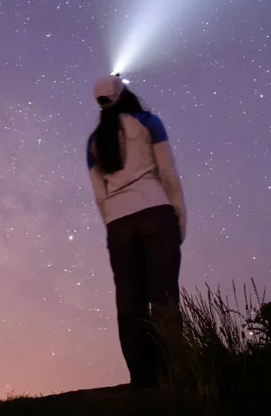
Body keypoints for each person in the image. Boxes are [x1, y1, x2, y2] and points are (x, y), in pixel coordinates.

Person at [86, 74, 187, 388]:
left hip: (118, 224)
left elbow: (99, 197)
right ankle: (174, 372)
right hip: (156, 213)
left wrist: (114, 227)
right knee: (164, 297)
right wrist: (179, 218)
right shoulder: (148, 123)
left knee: (129, 304)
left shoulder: (94, 142)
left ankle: (143, 380)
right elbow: (168, 174)